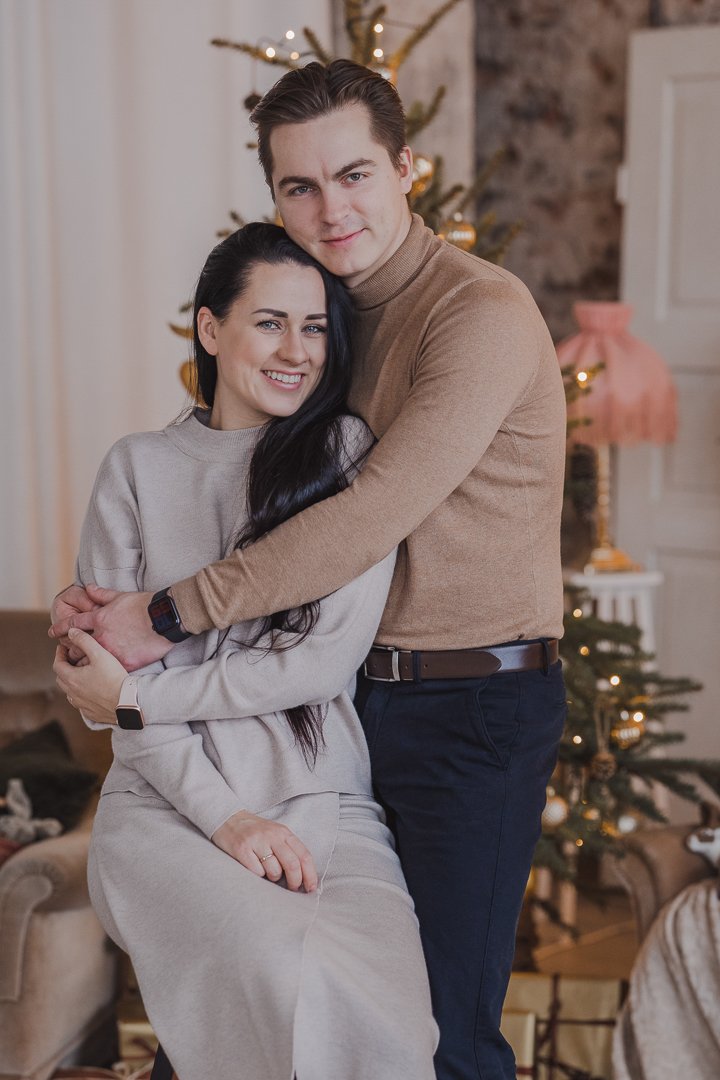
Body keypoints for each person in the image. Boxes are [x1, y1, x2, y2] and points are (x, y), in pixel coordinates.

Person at [52, 60, 568, 1080]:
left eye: (355, 175)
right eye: (301, 186)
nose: (332, 211)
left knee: (440, 1034)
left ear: (407, 168)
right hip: (341, 707)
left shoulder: (479, 313)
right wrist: (106, 601)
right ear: (275, 197)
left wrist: (164, 615)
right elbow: (231, 477)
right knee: (248, 1014)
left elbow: (368, 516)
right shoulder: (324, 312)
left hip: (469, 706)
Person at [53, 223, 438, 1080]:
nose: (297, 351)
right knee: (275, 968)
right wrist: (226, 819)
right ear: (209, 327)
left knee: (389, 1024)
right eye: (270, 323)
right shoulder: (136, 469)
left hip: (322, 800)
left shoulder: (344, 457)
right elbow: (112, 692)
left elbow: (319, 664)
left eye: (315, 327)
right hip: (167, 805)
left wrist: (134, 697)